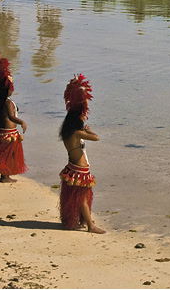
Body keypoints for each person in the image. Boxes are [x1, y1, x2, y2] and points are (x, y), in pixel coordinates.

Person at [59, 74, 105, 233]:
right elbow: (96, 138)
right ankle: (91, 226)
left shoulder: (67, 133)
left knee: (78, 198)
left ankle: (80, 221)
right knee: (83, 199)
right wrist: (89, 131)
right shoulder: (77, 133)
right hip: (79, 170)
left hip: (73, 167)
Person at [0, 52, 27, 183]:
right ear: (8, 90)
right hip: (9, 133)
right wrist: (22, 122)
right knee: (9, 155)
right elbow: (12, 117)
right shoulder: (8, 102)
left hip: (1, 131)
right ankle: (5, 177)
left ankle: (4, 175)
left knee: (3, 154)